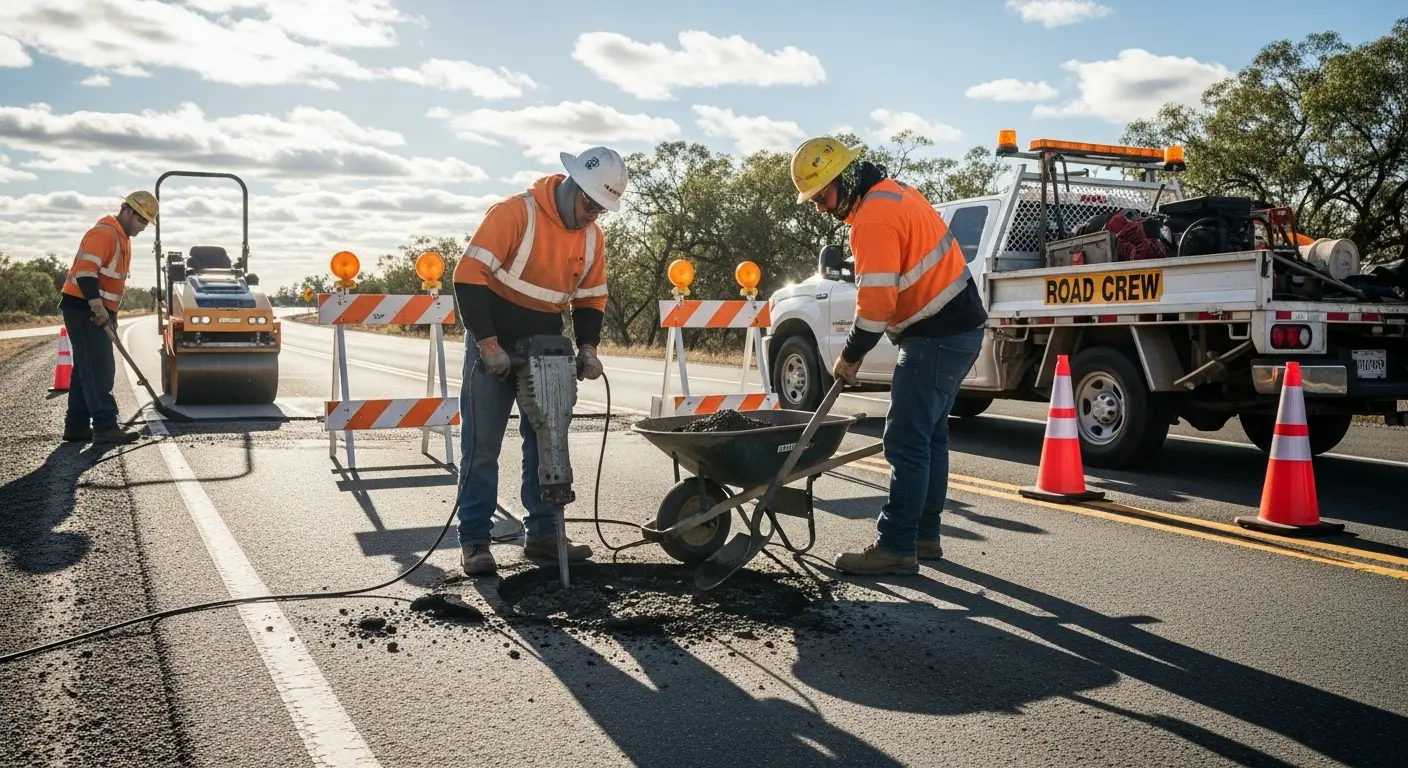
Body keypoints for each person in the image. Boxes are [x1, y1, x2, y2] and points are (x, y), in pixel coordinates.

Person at [790, 136, 988, 576]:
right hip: (958, 328)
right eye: (815, 200)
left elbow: (876, 304)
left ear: (844, 179)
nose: (822, 207)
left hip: (936, 334)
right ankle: (923, 536)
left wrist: (850, 355)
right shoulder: (894, 192)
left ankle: (897, 544)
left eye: (823, 195)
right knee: (930, 437)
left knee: (904, 440)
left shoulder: (872, 219)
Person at [450, 146, 627, 576]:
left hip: (546, 350)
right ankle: (475, 540)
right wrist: (488, 345)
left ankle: (544, 535)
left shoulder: (591, 237)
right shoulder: (515, 214)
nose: (592, 216)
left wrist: (588, 348)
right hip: (495, 345)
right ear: (571, 185)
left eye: (602, 210)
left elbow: (590, 297)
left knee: (548, 444)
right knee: (482, 448)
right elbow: (468, 276)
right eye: (590, 204)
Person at [57, 192, 159, 445]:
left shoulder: (122, 237)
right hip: (85, 308)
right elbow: (85, 271)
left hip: (96, 308)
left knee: (86, 367)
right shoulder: (104, 233)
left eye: (147, 223)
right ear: (127, 211)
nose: (143, 227)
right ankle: (105, 427)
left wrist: (107, 310)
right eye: (141, 221)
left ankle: (76, 426)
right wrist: (97, 306)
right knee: (100, 368)